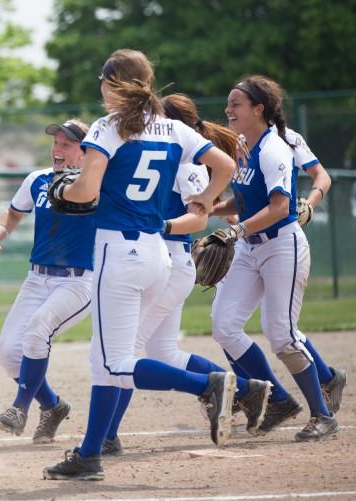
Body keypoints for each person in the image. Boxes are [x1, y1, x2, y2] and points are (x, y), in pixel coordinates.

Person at [41, 49, 238, 481]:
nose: (99, 87)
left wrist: (64, 192)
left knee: (116, 365)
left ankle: (207, 385)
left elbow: (87, 190)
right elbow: (225, 164)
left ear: (114, 84)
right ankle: (90, 454)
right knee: (108, 360)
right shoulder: (172, 127)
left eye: (102, 80)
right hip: (157, 252)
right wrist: (207, 200)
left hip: (120, 254)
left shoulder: (108, 126)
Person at [102, 93, 273, 454]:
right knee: (164, 352)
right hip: (162, 262)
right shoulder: (163, 155)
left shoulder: (185, 162)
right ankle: (247, 390)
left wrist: (155, 226)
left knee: (125, 353)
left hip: (169, 262)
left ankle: (106, 436)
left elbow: (198, 216)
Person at [209, 75, 343, 441]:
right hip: (250, 248)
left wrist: (237, 229)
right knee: (224, 324)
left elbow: (279, 206)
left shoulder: (275, 148)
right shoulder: (241, 146)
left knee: (281, 334)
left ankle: (323, 414)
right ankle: (278, 399)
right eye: (229, 103)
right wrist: (210, 208)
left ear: (259, 109)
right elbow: (243, 200)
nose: (228, 110)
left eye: (236, 104)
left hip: (282, 245)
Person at [0, 119, 94, 444]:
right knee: (8, 353)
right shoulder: (39, 179)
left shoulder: (97, 187)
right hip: (37, 278)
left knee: (38, 330)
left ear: (85, 151)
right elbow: (14, 212)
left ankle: (19, 409)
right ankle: (52, 405)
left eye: (66, 144)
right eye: (56, 143)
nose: (57, 150)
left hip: (78, 282)